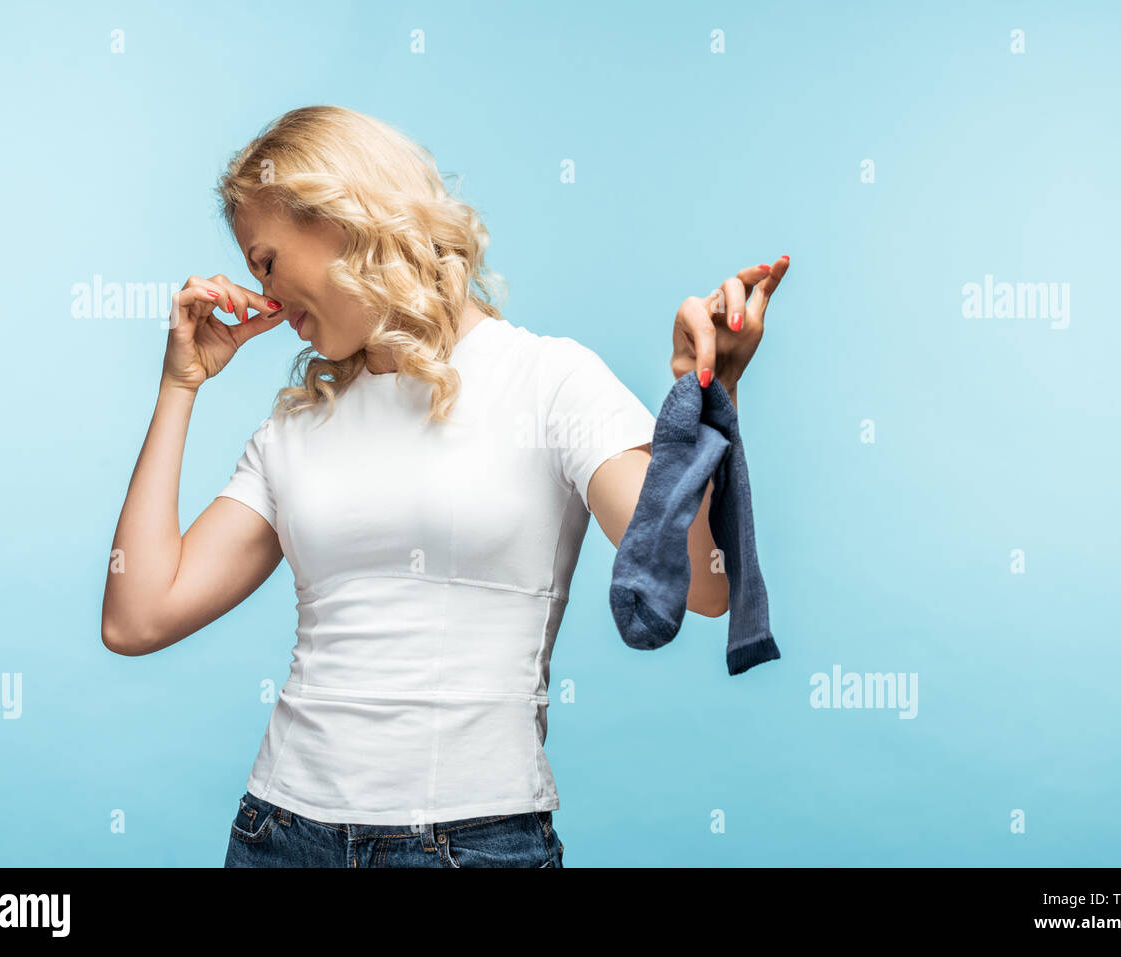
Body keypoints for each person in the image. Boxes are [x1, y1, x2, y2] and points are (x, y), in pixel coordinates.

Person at [100, 105, 789, 867]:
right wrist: (180, 384)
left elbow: (699, 583)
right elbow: (138, 617)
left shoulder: (548, 380)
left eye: (265, 261)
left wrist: (712, 393)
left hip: (473, 843)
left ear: (340, 216)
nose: (260, 292)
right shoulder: (296, 428)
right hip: (281, 835)